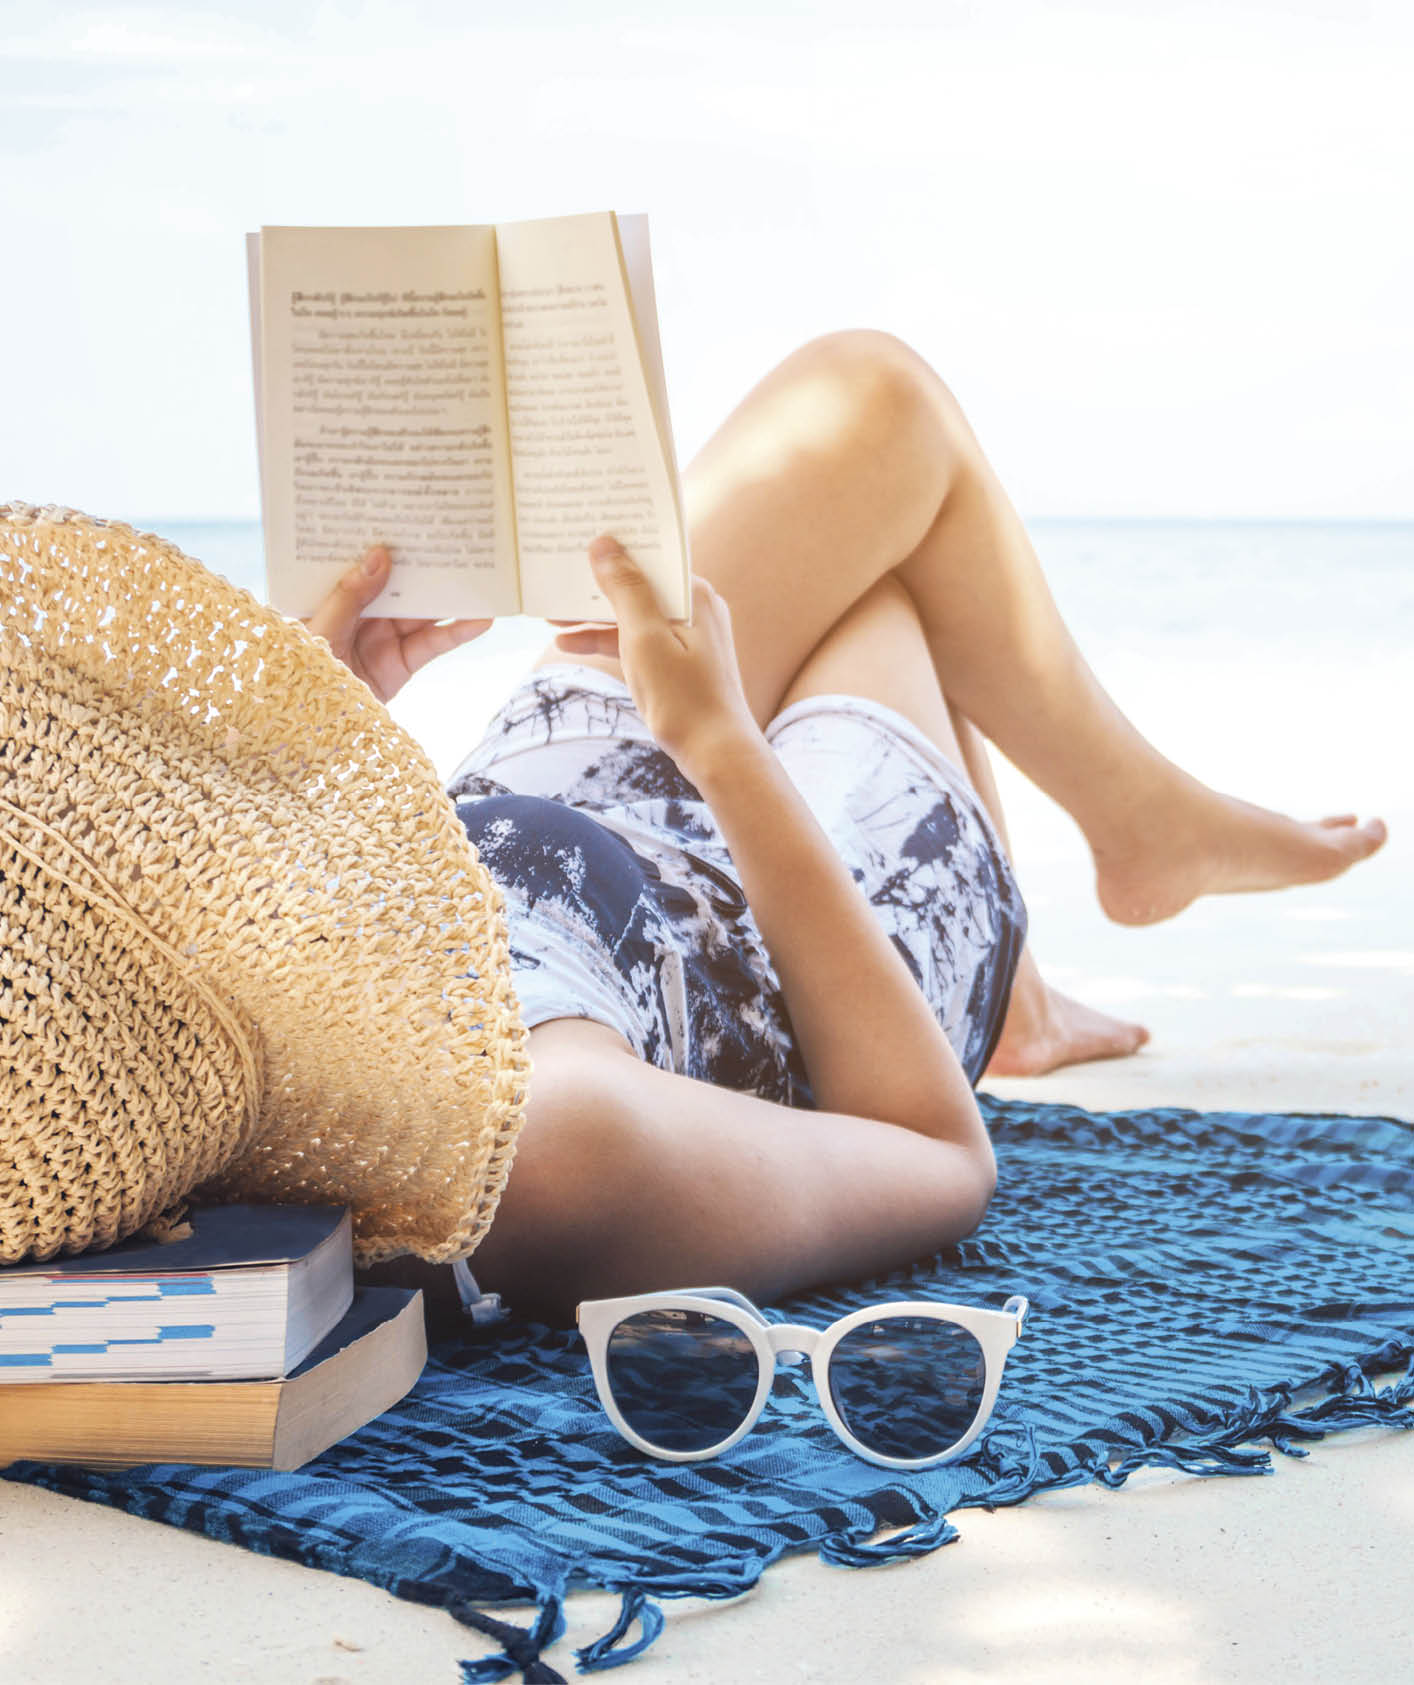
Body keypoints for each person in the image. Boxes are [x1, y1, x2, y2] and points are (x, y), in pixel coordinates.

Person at [311, 331, 1386, 1323]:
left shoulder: (237, 1021)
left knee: (870, 418)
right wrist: (725, 746)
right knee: (881, 564)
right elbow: (936, 1156)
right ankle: (1091, 900)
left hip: (560, 795)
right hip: (813, 966)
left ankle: (1112, 872)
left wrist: (315, 746)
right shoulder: (556, 1142)